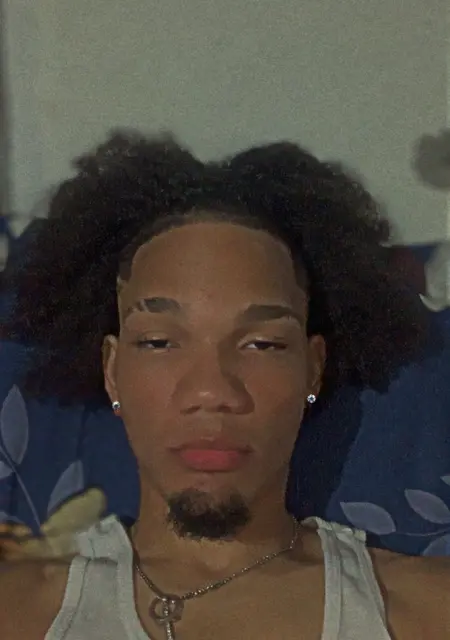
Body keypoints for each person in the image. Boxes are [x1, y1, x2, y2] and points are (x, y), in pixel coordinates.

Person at [0, 131, 449, 639]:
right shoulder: (16, 614)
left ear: (313, 369)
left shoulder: (429, 613)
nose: (212, 392)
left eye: (262, 344)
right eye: (159, 342)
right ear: (112, 370)